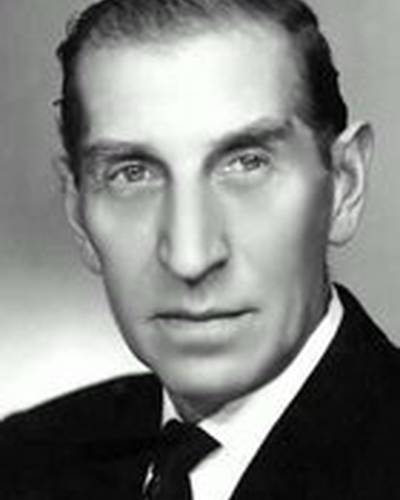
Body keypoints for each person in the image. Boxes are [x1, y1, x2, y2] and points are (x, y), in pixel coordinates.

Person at [1, 0, 399, 498]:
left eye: (247, 162)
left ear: (345, 184)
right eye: (132, 174)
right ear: (78, 214)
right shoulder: (20, 462)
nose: (190, 257)